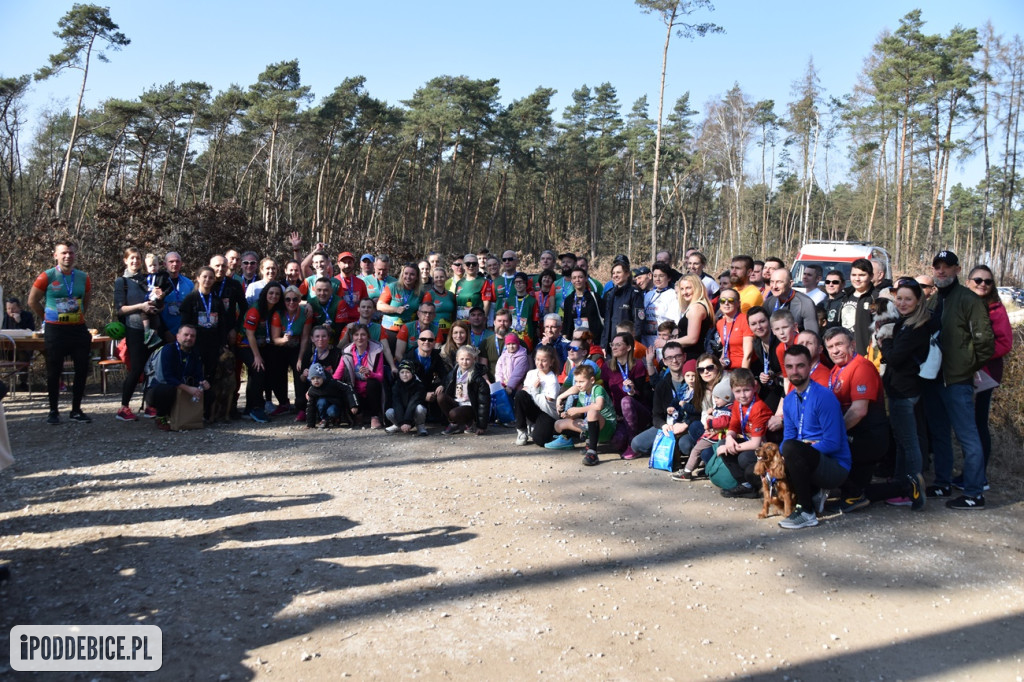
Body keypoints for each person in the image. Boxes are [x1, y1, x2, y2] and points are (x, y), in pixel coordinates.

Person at [923, 251, 995, 509]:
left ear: (957, 269)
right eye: (937, 267)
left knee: (968, 436)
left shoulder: (969, 300)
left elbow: (985, 343)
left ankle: (975, 492)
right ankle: (942, 483)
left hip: (957, 381)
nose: (941, 271)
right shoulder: (932, 301)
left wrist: (966, 369)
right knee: (940, 434)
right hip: (933, 380)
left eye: (947, 267)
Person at [777, 345, 851, 529]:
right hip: (808, 458)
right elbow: (788, 437)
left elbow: (833, 443)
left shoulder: (824, 397)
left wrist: (803, 450)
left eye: (800, 365)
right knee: (779, 455)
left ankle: (807, 512)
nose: (795, 371)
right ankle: (814, 494)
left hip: (835, 465)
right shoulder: (789, 400)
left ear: (810, 366)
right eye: (790, 366)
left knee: (792, 449)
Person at [875, 277, 932, 510]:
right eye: (899, 299)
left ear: (919, 300)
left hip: (905, 390)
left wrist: (883, 342)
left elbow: (895, 357)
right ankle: (900, 481)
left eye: (909, 299)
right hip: (903, 387)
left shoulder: (916, 326)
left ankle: (911, 488)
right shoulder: (907, 322)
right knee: (902, 439)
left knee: (908, 441)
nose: (903, 303)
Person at [821, 327, 890, 513]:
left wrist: (832, 435)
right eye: (830, 347)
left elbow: (859, 411)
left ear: (852, 344)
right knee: (863, 489)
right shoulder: (836, 369)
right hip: (854, 434)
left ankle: (854, 495)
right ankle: (907, 485)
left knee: (824, 455)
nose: (835, 350)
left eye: (839, 344)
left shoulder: (861, 367)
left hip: (868, 437)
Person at [28, 240, 93, 425]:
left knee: (81, 369)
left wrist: (78, 316)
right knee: (54, 370)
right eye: (64, 253)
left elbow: (86, 300)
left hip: (77, 329)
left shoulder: (83, 277)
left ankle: (76, 409)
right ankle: (53, 411)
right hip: (55, 330)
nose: (68, 256)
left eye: (71, 253)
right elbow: (32, 301)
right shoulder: (46, 276)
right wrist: (47, 318)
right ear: (55, 255)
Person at [960, 265, 1013, 490]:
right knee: (964, 425)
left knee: (978, 423)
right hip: (960, 371)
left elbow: (1005, 343)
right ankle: (968, 474)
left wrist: (977, 356)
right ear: (968, 281)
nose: (982, 284)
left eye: (988, 281)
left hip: (984, 373)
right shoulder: (961, 304)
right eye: (978, 280)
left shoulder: (996, 309)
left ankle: (979, 478)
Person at [629, 342, 697, 462]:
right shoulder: (662, 385)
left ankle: (677, 449)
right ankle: (669, 449)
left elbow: (701, 411)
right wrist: (664, 426)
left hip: (689, 426)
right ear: (664, 361)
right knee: (636, 444)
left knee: (685, 445)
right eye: (669, 358)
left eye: (678, 356)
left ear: (685, 357)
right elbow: (656, 416)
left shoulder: (694, 382)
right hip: (669, 427)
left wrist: (686, 424)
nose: (674, 361)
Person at [180, 266, 230, 421]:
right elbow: (185, 323)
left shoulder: (216, 301)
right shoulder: (190, 299)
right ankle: (191, 411)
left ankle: (208, 412)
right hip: (195, 345)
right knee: (195, 375)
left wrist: (223, 344)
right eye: (204, 277)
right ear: (198, 278)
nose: (207, 280)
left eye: (211, 277)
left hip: (213, 346)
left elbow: (222, 325)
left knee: (210, 377)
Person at [546, 364, 618, 467]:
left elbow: (599, 406)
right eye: (576, 382)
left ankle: (592, 452)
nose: (578, 385)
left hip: (606, 426)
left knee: (592, 412)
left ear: (592, 380)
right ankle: (586, 439)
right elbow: (579, 414)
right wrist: (568, 414)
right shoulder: (582, 393)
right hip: (589, 424)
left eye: (581, 381)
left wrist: (578, 409)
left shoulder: (597, 389)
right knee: (558, 424)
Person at [144, 323, 209, 431]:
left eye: (192, 336)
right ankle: (161, 416)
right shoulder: (168, 350)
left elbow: (198, 375)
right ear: (178, 336)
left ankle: (191, 417)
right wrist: (189, 389)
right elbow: (167, 377)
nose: (189, 338)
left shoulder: (195, 353)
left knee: (209, 393)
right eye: (186, 335)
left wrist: (202, 384)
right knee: (168, 389)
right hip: (158, 389)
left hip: (182, 388)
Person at [603, 331, 652, 457]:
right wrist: (613, 414)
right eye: (612, 344)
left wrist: (632, 391)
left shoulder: (638, 365)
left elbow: (644, 396)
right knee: (617, 443)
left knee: (626, 401)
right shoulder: (607, 366)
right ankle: (635, 437)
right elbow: (606, 394)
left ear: (629, 347)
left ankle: (633, 445)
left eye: (618, 344)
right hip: (619, 416)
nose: (614, 347)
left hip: (639, 411)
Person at [271, 285, 313, 418]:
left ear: (300, 300)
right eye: (288, 299)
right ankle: (283, 403)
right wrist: (283, 340)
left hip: (298, 346)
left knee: (300, 371)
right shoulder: (278, 314)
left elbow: (306, 338)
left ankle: (301, 406)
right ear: (283, 301)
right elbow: (275, 339)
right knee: (277, 371)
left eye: (295, 299)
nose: (291, 302)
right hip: (281, 347)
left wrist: (300, 358)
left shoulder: (305, 313)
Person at [337, 323, 386, 429]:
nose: (360, 338)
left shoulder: (376, 351)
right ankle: (356, 415)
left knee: (373, 383)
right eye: (356, 334)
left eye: (363, 335)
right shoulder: (347, 352)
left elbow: (380, 376)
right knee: (345, 385)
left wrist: (370, 373)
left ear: (368, 336)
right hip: (355, 392)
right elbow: (337, 375)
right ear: (352, 336)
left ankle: (375, 417)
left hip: (371, 392)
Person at [513, 344, 560, 447]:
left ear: (551, 362)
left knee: (540, 441)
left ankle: (547, 429)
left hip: (547, 413)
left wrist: (533, 390)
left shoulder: (552, 379)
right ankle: (521, 431)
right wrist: (532, 392)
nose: (540, 363)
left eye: (544, 360)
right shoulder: (531, 373)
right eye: (537, 359)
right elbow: (525, 392)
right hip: (534, 408)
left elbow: (545, 403)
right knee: (520, 395)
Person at [438, 345, 490, 435]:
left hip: (470, 406)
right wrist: (442, 385)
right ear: (457, 359)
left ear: (474, 359)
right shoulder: (455, 372)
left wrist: (481, 426)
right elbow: (447, 382)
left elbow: (483, 403)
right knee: (440, 397)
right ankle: (455, 424)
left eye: (467, 359)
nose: (464, 362)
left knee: (453, 413)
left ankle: (469, 422)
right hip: (458, 401)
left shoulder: (478, 378)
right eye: (462, 359)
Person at [297, 325, 342, 423]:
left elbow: (340, 377)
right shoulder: (308, 353)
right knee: (300, 401)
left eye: (324, 336)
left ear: (329, 338)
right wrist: (304, 375)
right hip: (313, 391)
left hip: (331, 392)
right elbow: (301, 379)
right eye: (317, 336)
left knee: (332, 411)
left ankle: (331, 416)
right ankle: (308, 412)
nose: (320, 339)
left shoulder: (336, 353)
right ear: (312, 339)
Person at [600, 261, 645, 352]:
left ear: (627, 274)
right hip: (611, 344)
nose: (615, 275)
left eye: (618, 272)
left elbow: (639, 321)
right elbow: (607, 321)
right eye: (613, 273)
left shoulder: (634, 294)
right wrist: (604, 344)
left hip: (627, 343)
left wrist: (634, 342)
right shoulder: (609, 294)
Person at [838, 258, 878, 355]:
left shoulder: (876, 298)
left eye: (862, 275)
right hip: (844, 351)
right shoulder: (845, 296)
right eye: (854, 275)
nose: (857, 279)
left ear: (871, 276)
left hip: (865, 353)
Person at [763, 268, 819, 334]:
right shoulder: (769, 302)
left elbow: (812, 336)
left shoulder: (805, 303)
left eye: (779, 282)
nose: (774, 286)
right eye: (772, 282)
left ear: (790, 284)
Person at [304, 362, 358, 429]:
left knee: (332, 411)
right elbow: (310, 407)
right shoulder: (312, 390)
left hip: (336, 405)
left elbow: (348, 388)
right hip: (323, 407)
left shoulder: (332, 383)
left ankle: (335, 418)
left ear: (323, 377)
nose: (316, 380)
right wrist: (310, 424)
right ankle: (324, 419)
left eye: (318, 378)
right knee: (321, 402)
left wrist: (353, 405)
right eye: (313, 378)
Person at [676, 274, 713, 362]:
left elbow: (692, 339)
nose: (685, 292)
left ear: (697, 288)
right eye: (682, 289)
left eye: (688, 288)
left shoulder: (696, 307)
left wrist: (668, 343)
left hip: (693, 358)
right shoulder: (694, 306)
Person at [385, 359, 429, 436]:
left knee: (420, 408)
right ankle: (398, 425)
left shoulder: (419, 386)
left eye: (407, 372)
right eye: (402, 372)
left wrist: (407, 421)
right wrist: (402, 422)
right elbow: (397, 403)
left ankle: (420, 426)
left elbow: (413, 402)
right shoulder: (396, 385)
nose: (404, 375)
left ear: (412, 373)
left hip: (414, 414)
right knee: (389, 412)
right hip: (402, 415)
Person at [642, 263, 680, 347]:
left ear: (669, 278)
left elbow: (676, 321)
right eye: (655, 276)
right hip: (646, 340)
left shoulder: (673, 295)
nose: (657, 279)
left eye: (661, 276)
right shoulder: (648, 294)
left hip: (663, 340)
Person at [562, 267, 603, 342]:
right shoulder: (569, 299)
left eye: (580, 277)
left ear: (586, 278)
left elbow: (603, 317)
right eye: (574, 278)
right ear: (571, 280)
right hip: (574, 339)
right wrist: (564, 340)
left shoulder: (594, 297)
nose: (577, 280)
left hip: (593, 339)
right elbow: (566, 322)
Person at [715, 288, 752, 371]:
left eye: (731, 300)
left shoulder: (745, 320)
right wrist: (722, 358)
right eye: (722, 300)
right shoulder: (720, 323)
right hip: (727, 369)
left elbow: (748, 354)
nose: (726, 303)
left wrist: (743, 376)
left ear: (738, 303)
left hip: (743, 369)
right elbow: (726, 344)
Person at [160, 251, 194, 340]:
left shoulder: (189, 284)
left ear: (181, 264)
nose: (175, 264)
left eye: (177, 261)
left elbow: (192, 308)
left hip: (184, 332)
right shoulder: (158, 283)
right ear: (164, 264)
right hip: (165, 331)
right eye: (171, 261)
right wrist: (165, 330)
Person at [453, 254, 495, 321]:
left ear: (478, 266)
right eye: (468, 264)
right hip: (460, 322)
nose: (471, 266)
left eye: (474, 264)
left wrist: (483, 320)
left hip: (476, 322)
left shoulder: (483, 282)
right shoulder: (459, 283)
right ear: (463, 266)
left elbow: (486, 304)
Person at [333, 251, 370, 329]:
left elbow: (365, 302)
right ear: (338, 264)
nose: (347, 265)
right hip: (338, 322)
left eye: (350, 262)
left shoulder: (360, 282)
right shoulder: (334, 282)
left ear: (353, 264)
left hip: (357, 322)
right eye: (344, 262)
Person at [504, 272, 539, 346]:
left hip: (527, 336)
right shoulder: (509, 301)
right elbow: (505, 318)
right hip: (512, 336)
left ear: (526, 283)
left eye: (521, 282)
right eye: (516, 282)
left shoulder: (533, 301)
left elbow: (535, 322)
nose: (518, 284)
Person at [423, 266, 457, 331]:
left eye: (441, 277)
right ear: (433, 279)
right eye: (436, 277)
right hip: (434, 331)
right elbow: (424, 315)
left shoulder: (451, 295)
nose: (439, 279)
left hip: (450, 331)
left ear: (446, 278)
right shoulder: (429, 295)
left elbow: (454, 313)